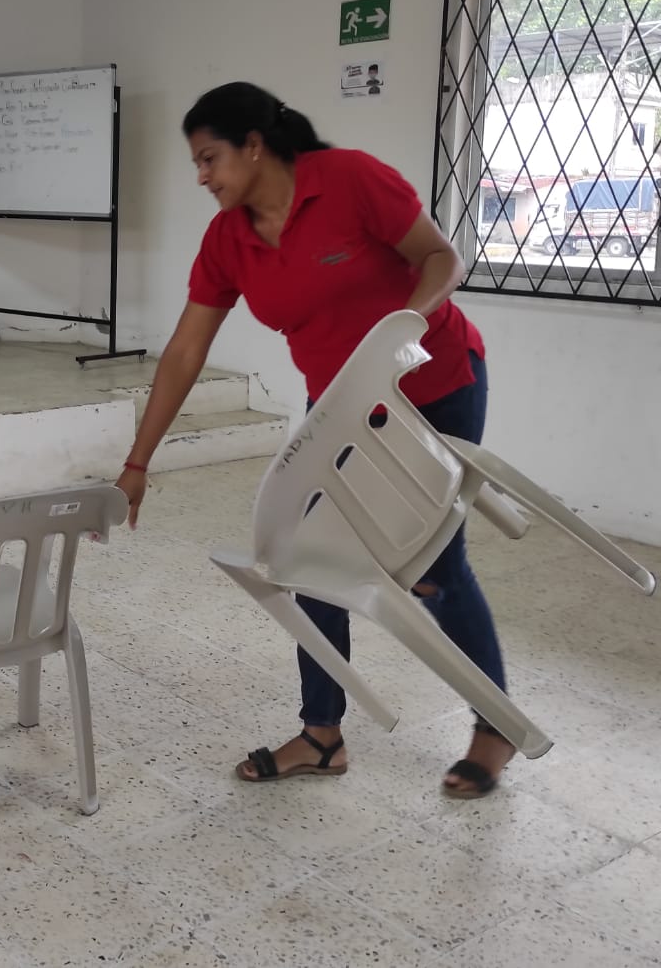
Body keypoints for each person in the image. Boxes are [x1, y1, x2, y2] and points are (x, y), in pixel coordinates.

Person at [114, 81, 512, 799]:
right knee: (309, 556)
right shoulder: (228, 239)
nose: (201, 176)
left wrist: (398, 336)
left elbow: (441, 258)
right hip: (342, 408)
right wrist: (137, 461)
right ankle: (323, 736)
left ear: (253, 146)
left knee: (432, 566)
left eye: (208, 159)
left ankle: (496, 724)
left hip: (435, 383)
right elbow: (185, 350)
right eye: (196, 163)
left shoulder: (349, 179)